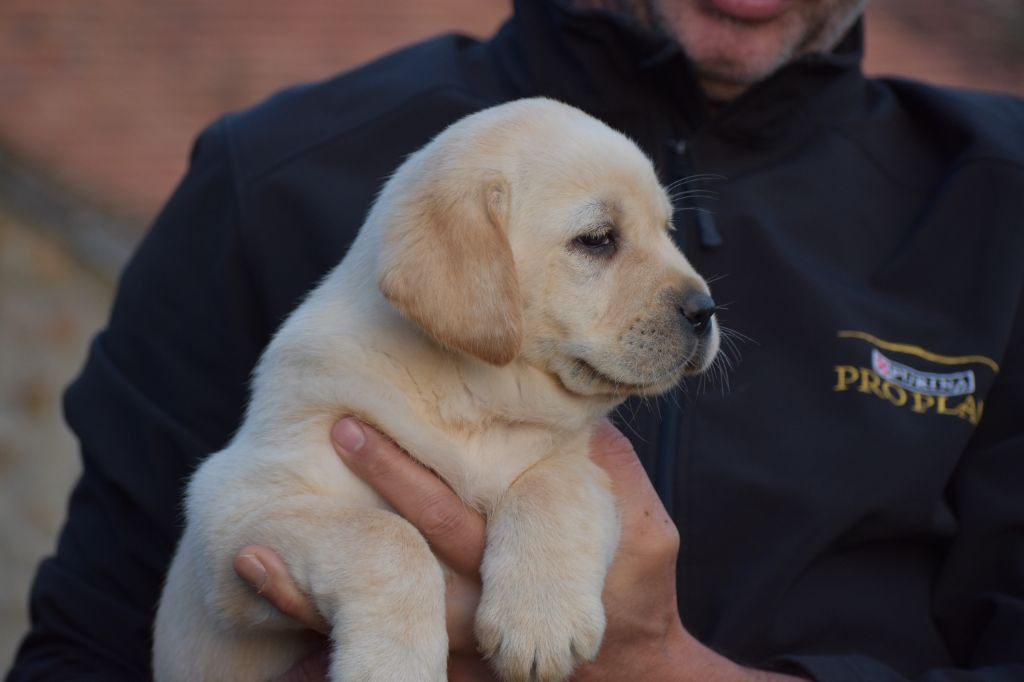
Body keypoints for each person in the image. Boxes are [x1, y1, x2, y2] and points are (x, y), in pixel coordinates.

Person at [8, 0, 1024, 680]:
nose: (692, 295)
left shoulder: (999, 201)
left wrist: (660, 666)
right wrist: (370, 579)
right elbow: (91, 639)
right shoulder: (269, 178)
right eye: (596, 240)